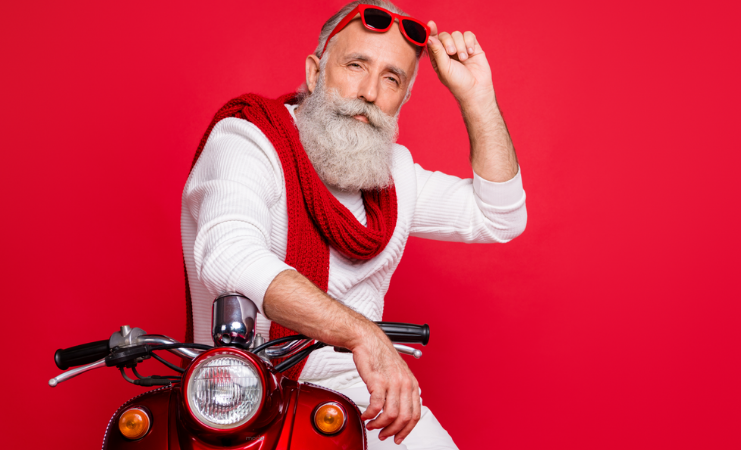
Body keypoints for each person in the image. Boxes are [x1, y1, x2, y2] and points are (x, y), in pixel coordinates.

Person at [180, 0, 526, 448]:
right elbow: (229, 257)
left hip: (358, 389)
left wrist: (477, 98)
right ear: (314, 73)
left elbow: (499, 215)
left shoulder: (395, 174)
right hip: (239, 388)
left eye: (391, 78)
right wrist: (363, 334)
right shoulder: (248, 140)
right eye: (356, 64)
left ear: (403, 97)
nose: (369, 92)